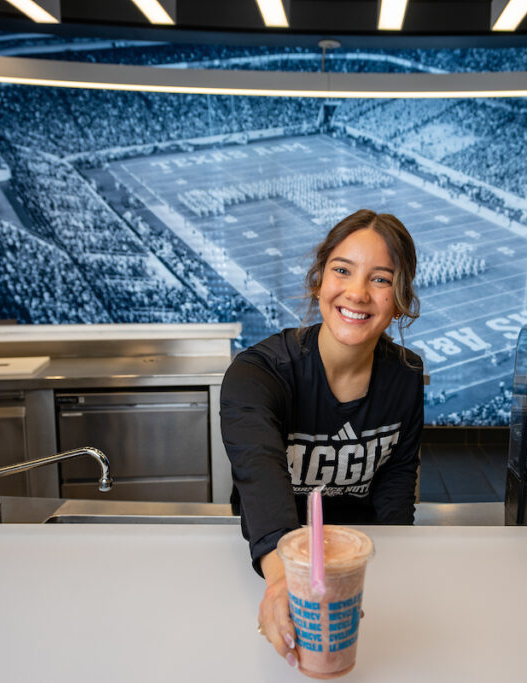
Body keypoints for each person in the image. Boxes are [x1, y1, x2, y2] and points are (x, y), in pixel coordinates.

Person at [220, 209, 424, 670]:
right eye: (342, 270)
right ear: (319, 280)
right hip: (272, 559)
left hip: (364, 562)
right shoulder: (257, 374)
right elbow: (258, 472)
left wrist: (398, 573)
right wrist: (279, 583)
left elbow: (396, 479)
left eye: (381, 279)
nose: (356, 292)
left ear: (399, 299)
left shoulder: (406, 375)